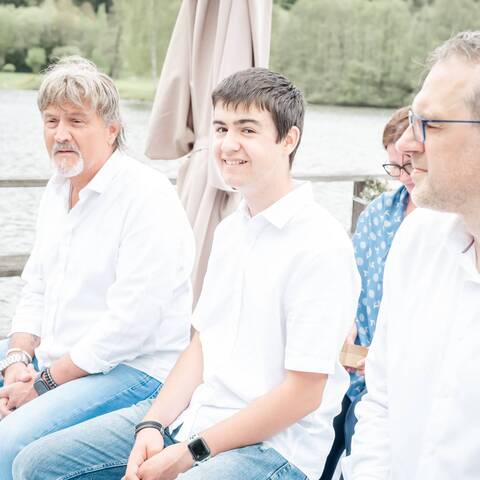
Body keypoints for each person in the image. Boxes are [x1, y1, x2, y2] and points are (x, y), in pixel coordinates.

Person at [12, 67, 360, 480]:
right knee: (35, 464)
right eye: (221, 128)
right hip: (195, 417)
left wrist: (189, 453)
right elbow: (202, 344)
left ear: (289, 139)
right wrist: (151, 424)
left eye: (247, 130)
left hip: (271, 449)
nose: (228, 144)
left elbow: (303, 394)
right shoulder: (232, 230)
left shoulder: (320, 244)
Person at [0, 56, 195, 479]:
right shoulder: (57, 190)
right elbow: (35, 288)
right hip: (58, 359)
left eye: (76, 121)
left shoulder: (146, 196)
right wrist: (16, 360)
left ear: (111, 130)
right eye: (51, 121)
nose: (61, 134)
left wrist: (42, 383)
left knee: (8, 443)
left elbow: (129, 326)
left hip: (135, 370)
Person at [342, 31, 480, 479]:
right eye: (412, 119)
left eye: (431, 125)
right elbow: (381, 401)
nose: (405, 144)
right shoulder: (416, 239)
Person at [320, 107, 415, 480]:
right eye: (395, 167)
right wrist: (348, 326)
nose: (404, 176)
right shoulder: (380, 213)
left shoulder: (453, 226)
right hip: (355, 370)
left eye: (410, 164)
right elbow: (352, 283)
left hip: (401, 382)